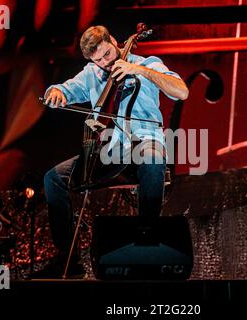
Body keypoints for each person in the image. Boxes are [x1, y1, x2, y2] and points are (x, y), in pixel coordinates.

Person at [36, 25, 189, 278]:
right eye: (98, 60)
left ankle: (148, 241)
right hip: (110, 150)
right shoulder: (93, 72)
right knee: (53, 178)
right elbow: (67, 88)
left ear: (114, 41)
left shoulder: (147, 63)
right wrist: (55, 92)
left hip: (145, 141)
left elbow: (181, 91)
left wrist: (138, 70)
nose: (105, 63)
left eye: (107, 54)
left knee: (151, 158)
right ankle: (68, 259)